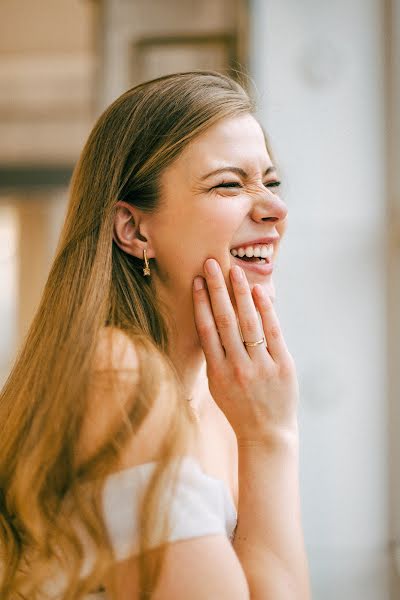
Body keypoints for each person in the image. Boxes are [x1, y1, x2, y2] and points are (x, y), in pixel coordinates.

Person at [0, 71, 310, 599]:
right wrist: (270, 441)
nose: (274, 211)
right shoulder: (118, 377)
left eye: (271, 182)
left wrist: (267, 434)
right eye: (229, 184)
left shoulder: (226, 408)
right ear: (135, 230)